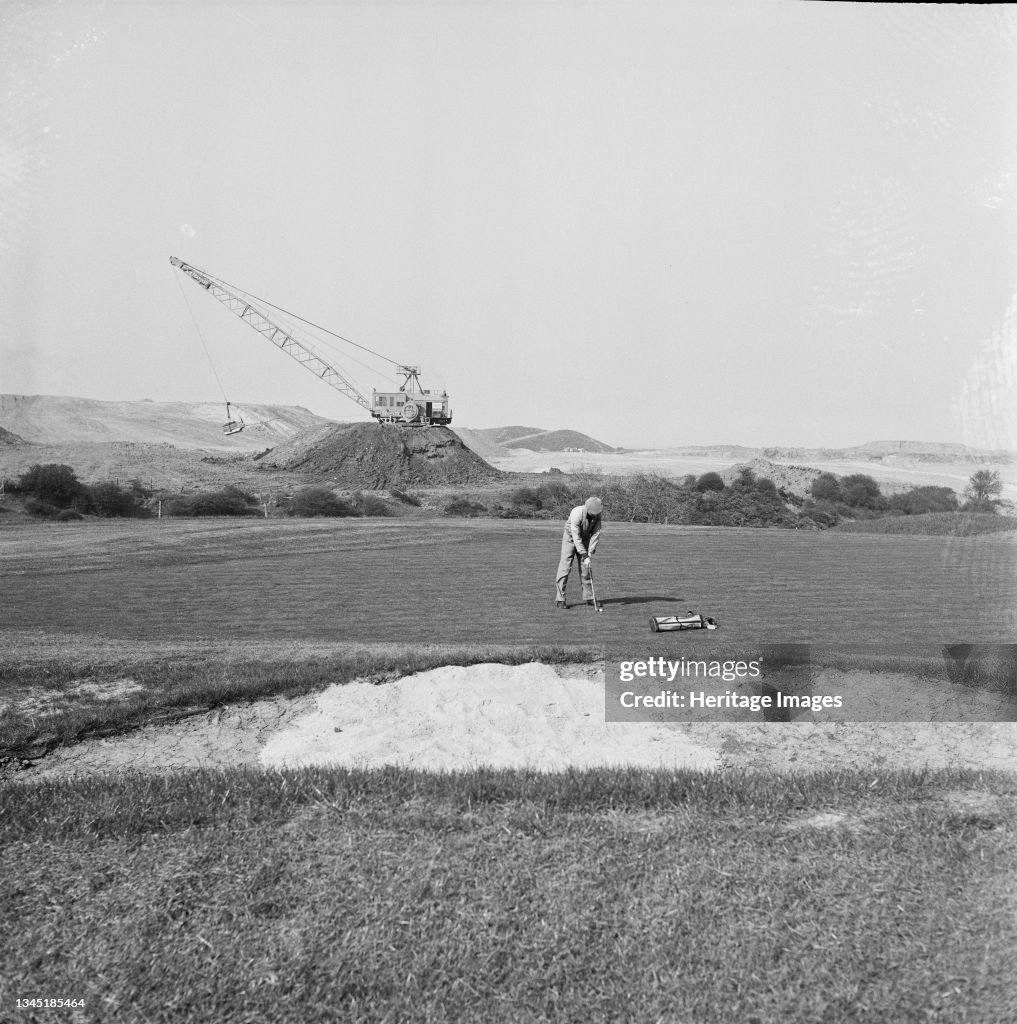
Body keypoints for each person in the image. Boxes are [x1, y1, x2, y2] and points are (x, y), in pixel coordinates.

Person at [555, 496, 603, 608]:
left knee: (586, 569)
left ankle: (589, 597)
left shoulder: (597, 516)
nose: (597, 514)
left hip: (585, 539)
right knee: (565, 567)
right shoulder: (577, 513)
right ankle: (560, 599)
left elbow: (596, 534)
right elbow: (576, 537)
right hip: (570, 538)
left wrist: (590, 553)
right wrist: (584, 554)